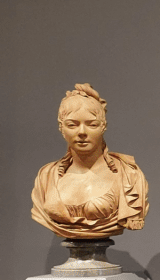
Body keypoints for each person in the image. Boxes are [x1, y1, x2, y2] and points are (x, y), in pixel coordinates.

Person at [31, 83, 148, 239]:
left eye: (92, 124)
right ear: (61, 127)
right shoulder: (46, 176)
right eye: (72, 125)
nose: (82, 132)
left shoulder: (129, 175)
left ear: (103, 127)